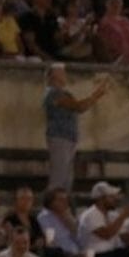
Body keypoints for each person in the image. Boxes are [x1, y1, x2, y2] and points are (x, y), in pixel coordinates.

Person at [44, 63, 110, 194]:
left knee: (67, 178)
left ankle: (63, 203)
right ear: (53, 76)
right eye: (61, 72)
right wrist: (96, 95)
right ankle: (52, 205)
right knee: (59, 176)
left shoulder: (64, 93)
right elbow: (79, 107)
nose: (64, 75)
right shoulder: (52, 93)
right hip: (59, 136)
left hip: (68, 137)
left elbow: (79, 106)